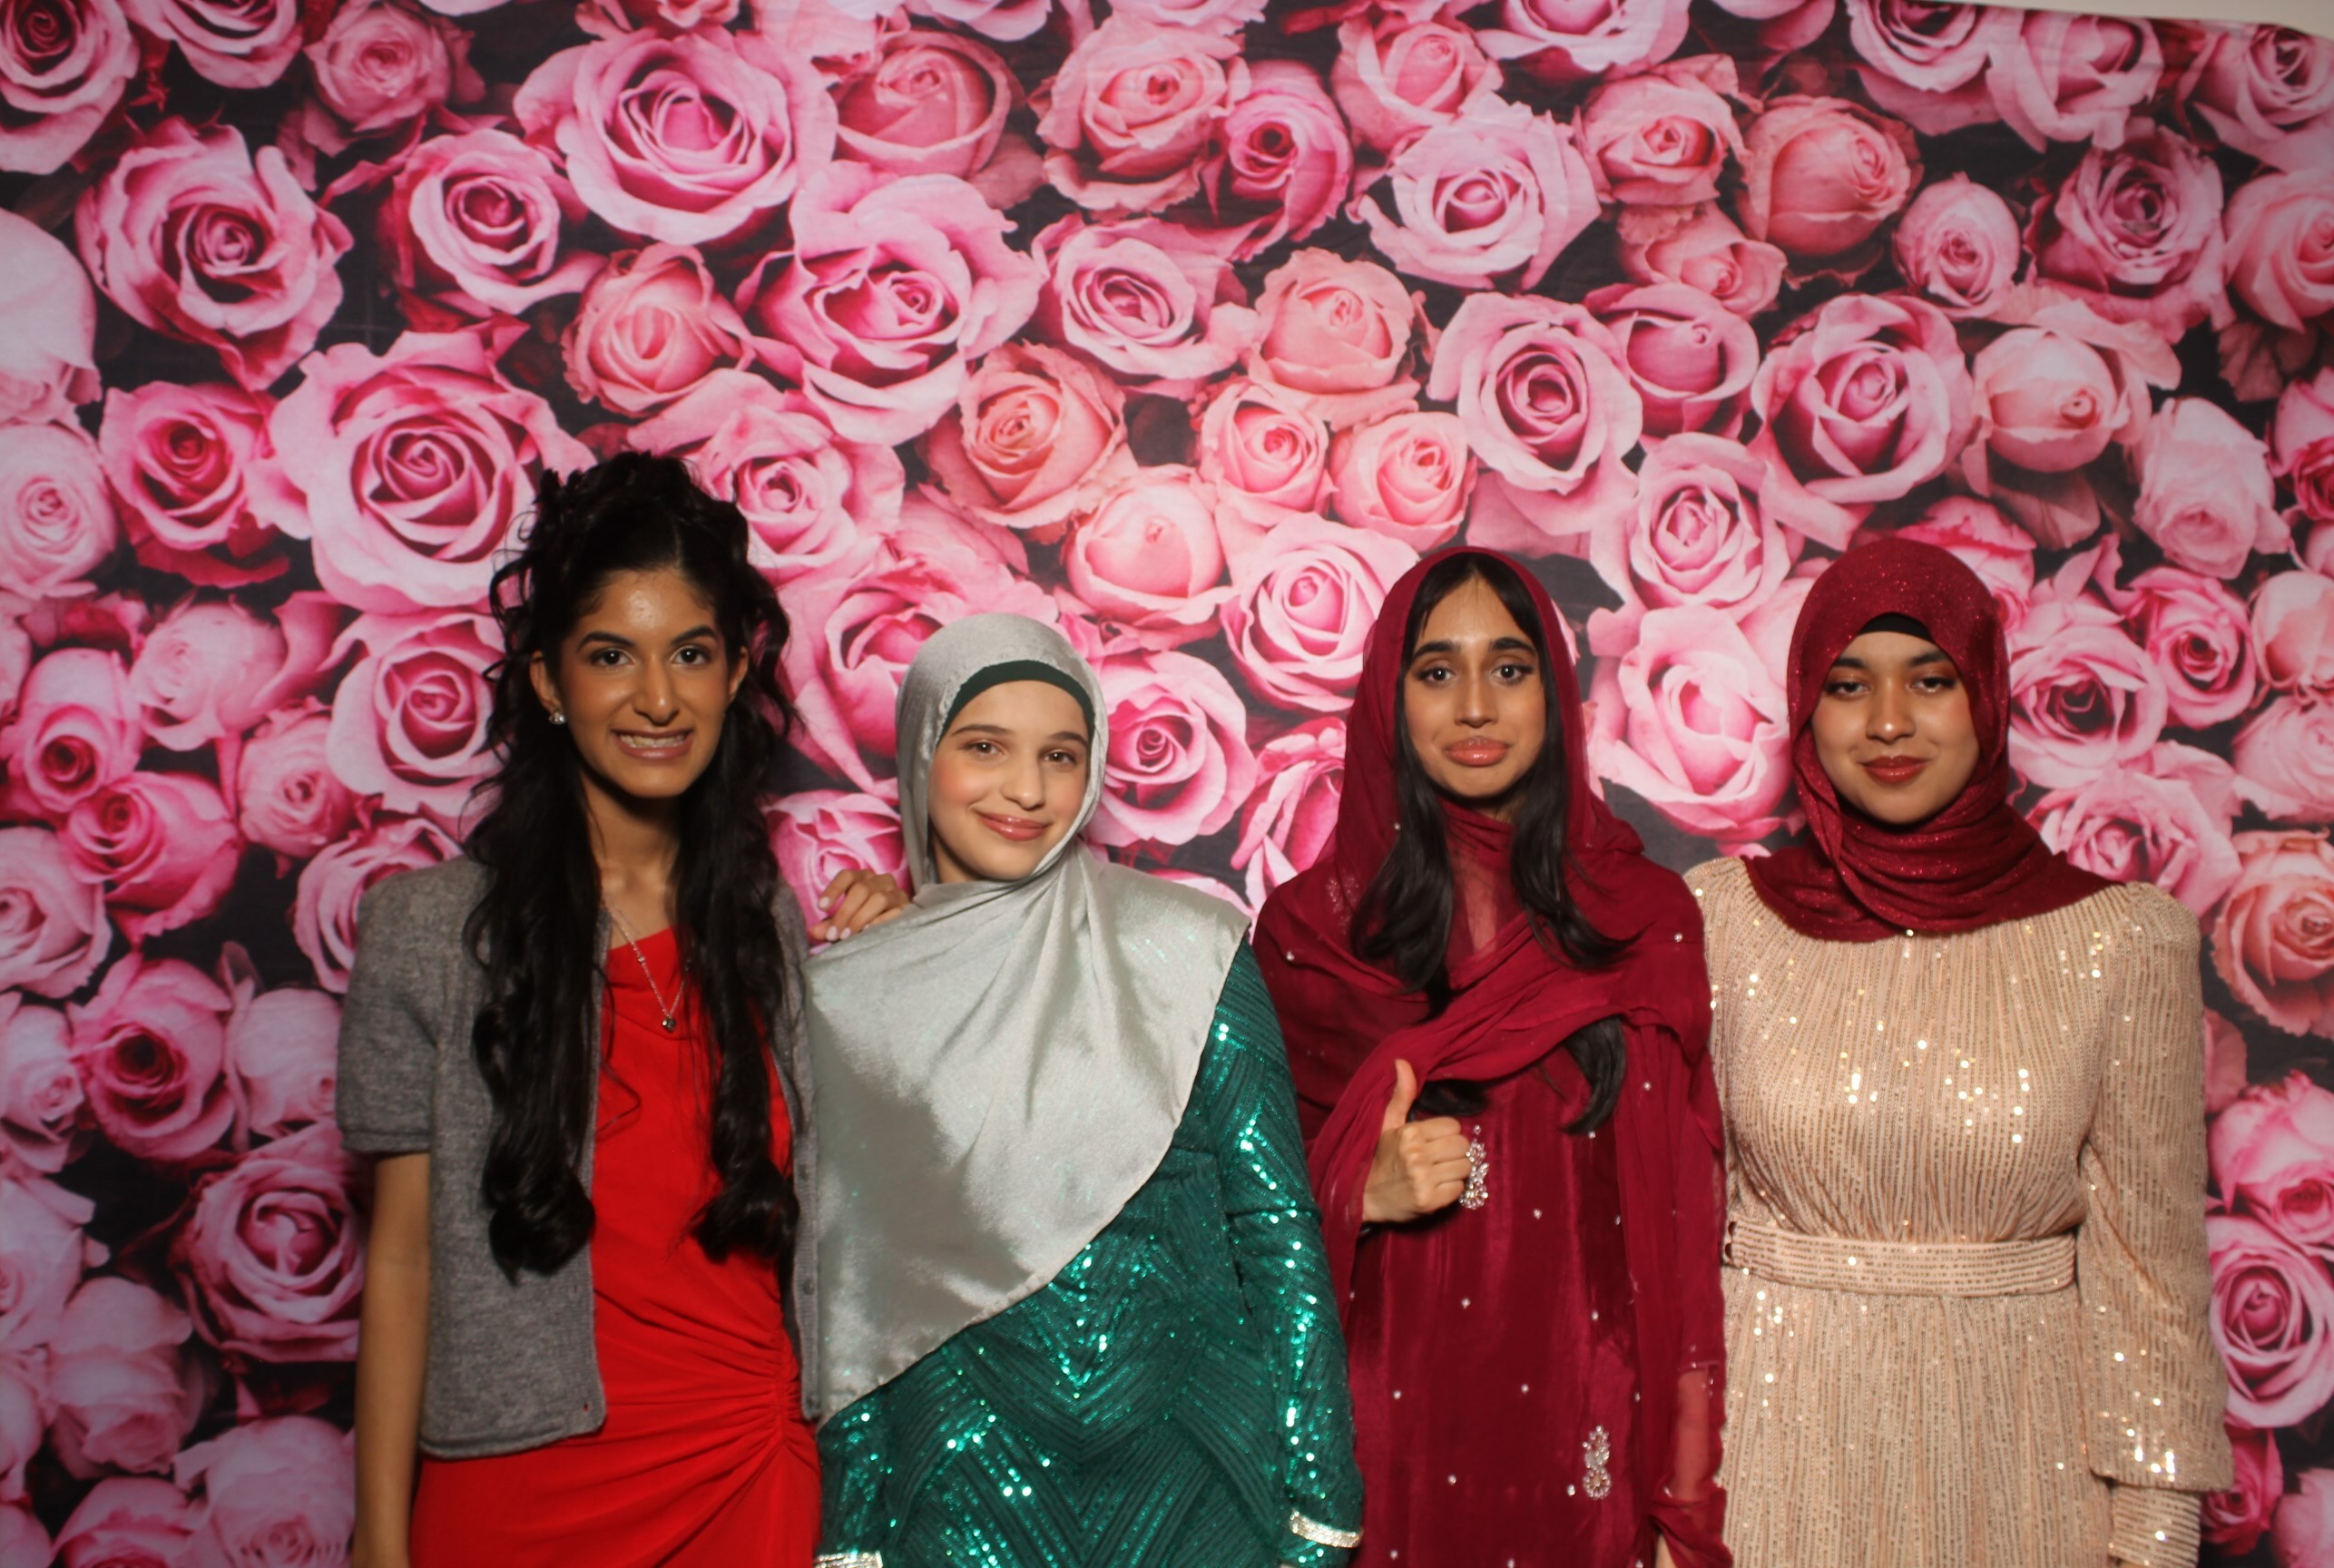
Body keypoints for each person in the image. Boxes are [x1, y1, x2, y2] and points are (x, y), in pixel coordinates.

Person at [339, 454, 905, 1568]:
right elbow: (401, 1264)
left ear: (735, 674)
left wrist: (903, 966)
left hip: (748, 1473)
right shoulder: (429, 935)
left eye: (690, 654)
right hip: (516, 1491)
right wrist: (381, 1544)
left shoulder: (771, 926)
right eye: (612, 656)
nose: (657, 699)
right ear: (549, 682)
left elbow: (879, 1206)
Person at [1690, 536, 2231, 1567]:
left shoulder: (2122, 942)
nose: (1889, 722)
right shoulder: (1721, 922)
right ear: (1806, 707)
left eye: (1930, 681)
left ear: (1986, 695)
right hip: (1764, 1468)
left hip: (2026, 1473)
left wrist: (2155, 1534)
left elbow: (2151, 1279)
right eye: (1849, 685)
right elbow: (1668, 1249)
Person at [802, 613, 1362, 1568]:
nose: (1027, 790)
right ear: (922, 754)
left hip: (1200, 1489)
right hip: (961, 1502)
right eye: (985, 747)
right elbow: (853, 1296)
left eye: (1060, 756)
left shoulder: (1189, 949)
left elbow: (1274, 1229)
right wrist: (851, 1541)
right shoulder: (854, 998)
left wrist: (1322, 1508)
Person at [1254, 547, 1730, 1568]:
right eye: (1436, 671)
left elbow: (1688, 1232)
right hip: (1384, 1436)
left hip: (1585, 1436)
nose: (1475, 705)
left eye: (1510, 669)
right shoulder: (1309, 937)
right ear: (1389, 697)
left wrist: (1682, 1492)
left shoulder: (1644, 919)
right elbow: (1237, 1229)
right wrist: (1353, 1188)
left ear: (1555, 694)